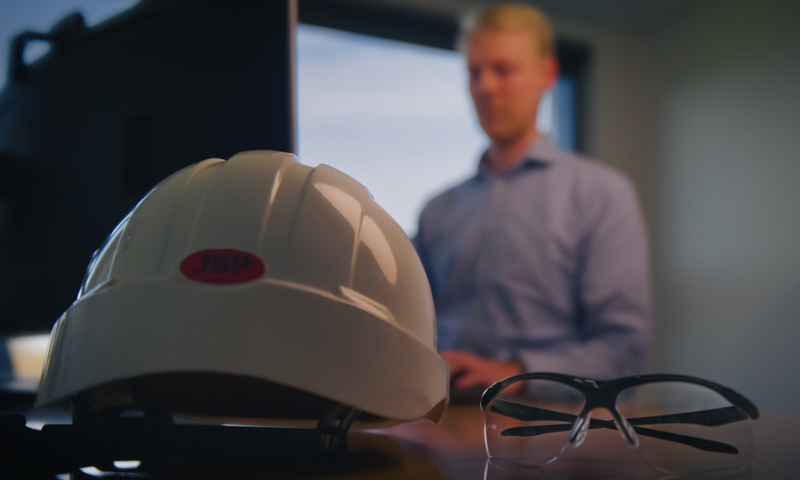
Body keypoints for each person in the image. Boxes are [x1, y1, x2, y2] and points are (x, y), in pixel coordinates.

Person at [413, 4, 652, 394]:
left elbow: (624, 352)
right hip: (435, 425)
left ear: (548, 74)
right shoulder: (436, 210)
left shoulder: (602, 195)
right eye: (475, 72)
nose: (485, 87)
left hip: (552, 437)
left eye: (503, 70)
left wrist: (516, 374)